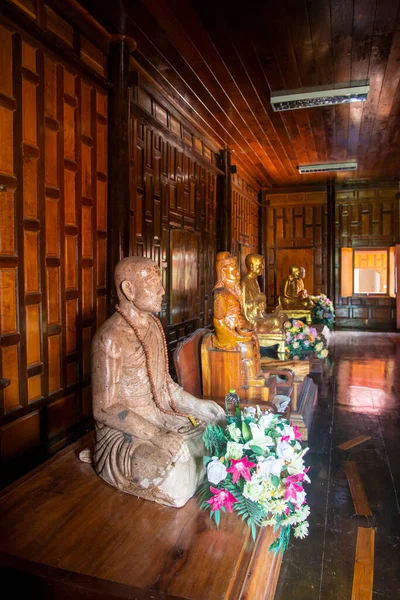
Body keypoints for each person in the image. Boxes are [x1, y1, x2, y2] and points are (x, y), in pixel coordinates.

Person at [91, 256, 225, 508]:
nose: (163, 290)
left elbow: (164, 386)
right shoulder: (110, 338)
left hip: (162, 416)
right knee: (177, 477)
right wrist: (156, 436)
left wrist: (197, 406)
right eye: (154, 282)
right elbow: (104, 408)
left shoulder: (153, 326)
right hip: (126, 434)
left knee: (217, 425)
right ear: (129, 290)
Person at [212, 252, 264, 385]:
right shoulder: (221, 295)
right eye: (233, 271)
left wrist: (244, 327)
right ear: (223, 272)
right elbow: (218, 321)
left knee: (254, 340)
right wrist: (234, 336)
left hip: (238, 330)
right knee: (245, 348)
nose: (237, 275)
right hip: (229, 336)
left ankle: (257, 373)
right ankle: (249, 381)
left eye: (237, 271)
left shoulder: (235, 291)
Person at [241, 253, 285, 333]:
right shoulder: (244, 282)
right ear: (251, 266)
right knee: (277, 321)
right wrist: (258, 300)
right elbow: (243, 307)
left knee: (282, 316)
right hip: (252, 321)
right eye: (260, 265)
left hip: (260, 316)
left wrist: (262, 303)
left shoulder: (254, 280)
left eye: (263, 264)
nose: (263, 267)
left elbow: (261, 306)